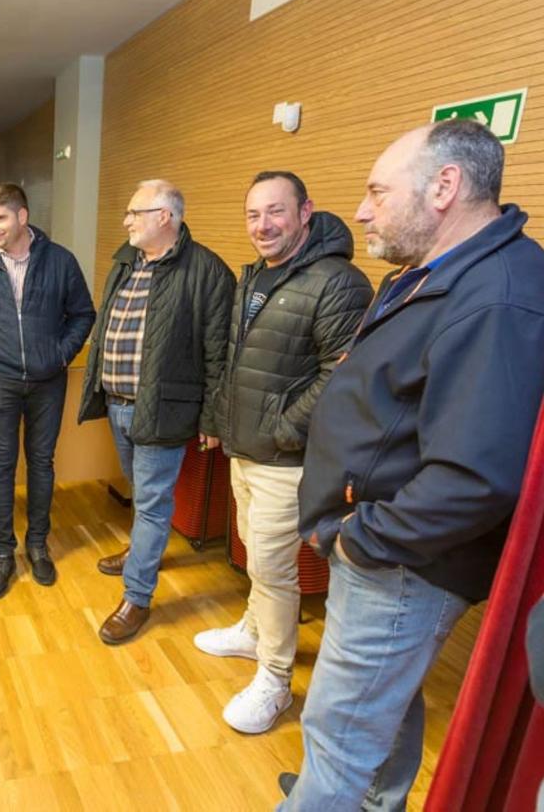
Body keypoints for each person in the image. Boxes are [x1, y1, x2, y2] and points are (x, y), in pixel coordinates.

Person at [280, 119, 544, 810]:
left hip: (401, 564)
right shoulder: (438, 270)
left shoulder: (497, 295)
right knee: (381, 712)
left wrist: (359, 541)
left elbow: (473, 478)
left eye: (376, 192)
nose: (362, 210)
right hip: (385, 547)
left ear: (445, 187)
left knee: (337, 733)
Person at [194, 171, 373, 734]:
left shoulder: (338, 282)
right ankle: (252, 631)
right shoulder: (255, 278)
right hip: (247, 450)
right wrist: (222, 423)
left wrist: (279, 429)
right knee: (254, 552)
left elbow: (340, 378)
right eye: (253, 214)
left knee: (273, 567)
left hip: (285, 457)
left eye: (275, 212)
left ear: (305, 212)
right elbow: (234, 360)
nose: (262, 225)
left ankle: (274, 679)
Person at [77, 179, 235, 644]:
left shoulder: (207, 271)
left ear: (164, 217)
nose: (125, 220)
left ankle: (137, 597)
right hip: (120, 404)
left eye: (133, 212)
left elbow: (217, 353)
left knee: (151, 501)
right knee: (142, 494)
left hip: (165, 410)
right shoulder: (124, 263)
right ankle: (141, 552)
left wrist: (211, 419)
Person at [0, 183, 95, 599]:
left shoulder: (60, 260)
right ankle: (4, 553)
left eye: (0, 219)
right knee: (1, 466)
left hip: (48, 380)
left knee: (42, 463)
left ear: (22, 217)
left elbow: (83, 313)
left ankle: (38, 544)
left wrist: (61, 353)